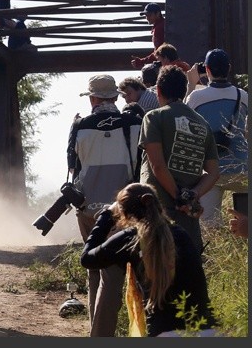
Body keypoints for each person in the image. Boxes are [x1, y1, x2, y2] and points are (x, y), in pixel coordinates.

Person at [80, 183, 219, 337]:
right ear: (157, 205)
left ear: (123, 214)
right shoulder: (182, 234)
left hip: (164, 334)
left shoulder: (129, 239)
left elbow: (87, 259)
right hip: (209, 331)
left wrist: (106, 216)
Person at [67, 73, 142, 337]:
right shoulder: (133, 123)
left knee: (95, 273)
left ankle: (97, 331)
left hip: (88, 209)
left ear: (93, 98)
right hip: (122, 210)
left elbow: (75, 167)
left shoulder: (81, 126)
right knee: (118, 276)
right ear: (115, 97)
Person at [139, 65, 220, 254]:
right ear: (184, 90)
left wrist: (177, 196)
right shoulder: (202, 123)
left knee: (156, 275)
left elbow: (157, 166)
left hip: (157, 214)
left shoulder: (154, 117)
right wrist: (191, 196)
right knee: (189, 272)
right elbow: (214, 173)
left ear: (158, 90)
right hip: (188, 219)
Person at [185, 49, 248, 228]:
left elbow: (182, 123)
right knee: (248, 224)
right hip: (241, 165)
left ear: (207, 69)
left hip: (211, 171)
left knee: (209, 226)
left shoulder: (196, 97)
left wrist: (191, 84)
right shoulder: (242, 96)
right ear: (228, 69)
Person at [130, 3, 165, 69]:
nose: (147, 18)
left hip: (164, 64)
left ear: (157, 13)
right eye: (146, 15)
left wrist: (142, 61)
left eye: (149, 15)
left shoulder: (159, 29)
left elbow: (159, 52)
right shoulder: (162, 25)